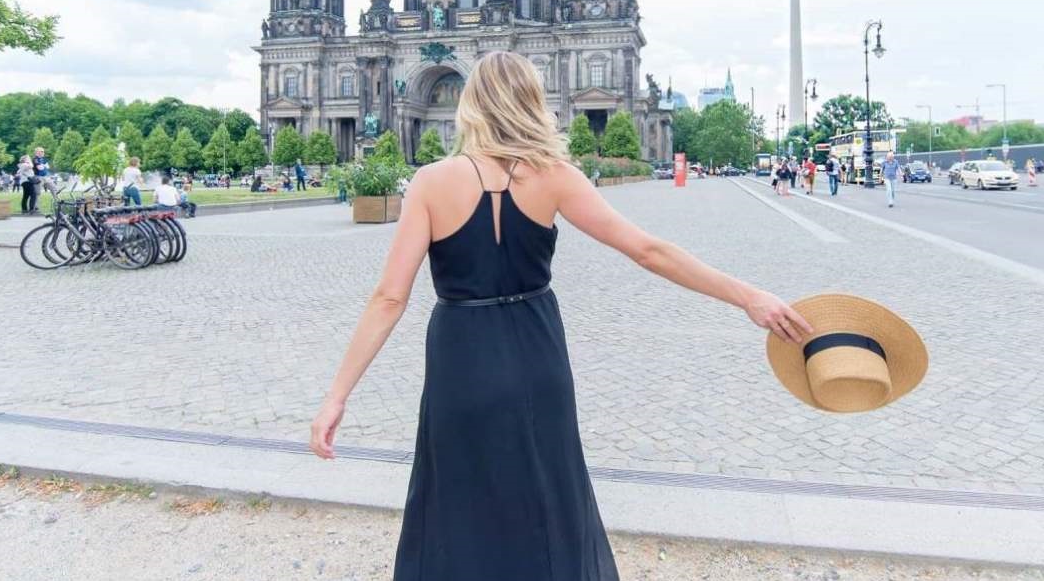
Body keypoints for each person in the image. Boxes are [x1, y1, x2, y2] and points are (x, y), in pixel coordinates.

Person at [307, 51, 812, 581]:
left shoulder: (432, 182)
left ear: (471, 105)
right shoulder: (553, 176)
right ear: (531, 103)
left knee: (457, 495)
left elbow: (390, 297)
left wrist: (337, 396)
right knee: (547, 492)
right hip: (535, 352)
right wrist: (748, 296)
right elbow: (648, 251)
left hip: (461, 357)